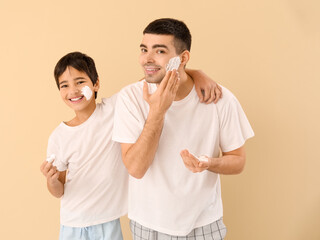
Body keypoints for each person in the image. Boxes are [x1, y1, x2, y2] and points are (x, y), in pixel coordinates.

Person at [40, 51, 221, 240]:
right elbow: (58, 190)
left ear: (96, 84)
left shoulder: (115, 108)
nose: (73, 91)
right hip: (73, 224)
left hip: (108, 221)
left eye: (79, 82)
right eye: (64, 85)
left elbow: (155, 77)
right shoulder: (59, 136)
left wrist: (198, 74)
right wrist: (52, 181)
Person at [112, 18, 254, 240]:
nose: (147, 59)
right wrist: (157, 112)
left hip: (205, 224)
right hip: (149, 226)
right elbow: (136, 169)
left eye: (159, 51)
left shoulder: (220, 99)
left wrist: (209, 163)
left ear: (183, 57)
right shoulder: (130, 98)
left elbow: (238, 160)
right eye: (143, 49)